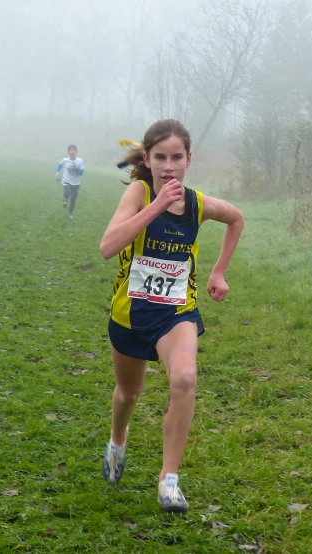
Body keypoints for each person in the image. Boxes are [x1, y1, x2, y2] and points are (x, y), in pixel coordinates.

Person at [99, 119, 244, 513]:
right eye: (160, 158)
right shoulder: (139, 192)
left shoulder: (198, 204)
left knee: (184, 378)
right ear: (147, 159)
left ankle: (169, 480)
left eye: (176, 157)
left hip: (176, 312)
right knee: (129, 392)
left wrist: (218, 272)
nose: (168, 166)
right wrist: (157, 206)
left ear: (188, 160)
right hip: (131, 313)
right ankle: (118, 439)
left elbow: (236, 219)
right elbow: (108, 246)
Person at [55, 145, 85, 219]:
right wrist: (57, 172)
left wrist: (76, 169)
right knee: (67, 192)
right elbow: (59, 165)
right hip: (66, 180)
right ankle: (65, 199)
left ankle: (70, 213)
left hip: (76, 183)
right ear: (68, 152)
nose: (72, 152)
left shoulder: (80, 161)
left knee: (73, 199)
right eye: (70, 150)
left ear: (76, 152)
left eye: (74, 150)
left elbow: (81, 173)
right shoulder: (65, 160)